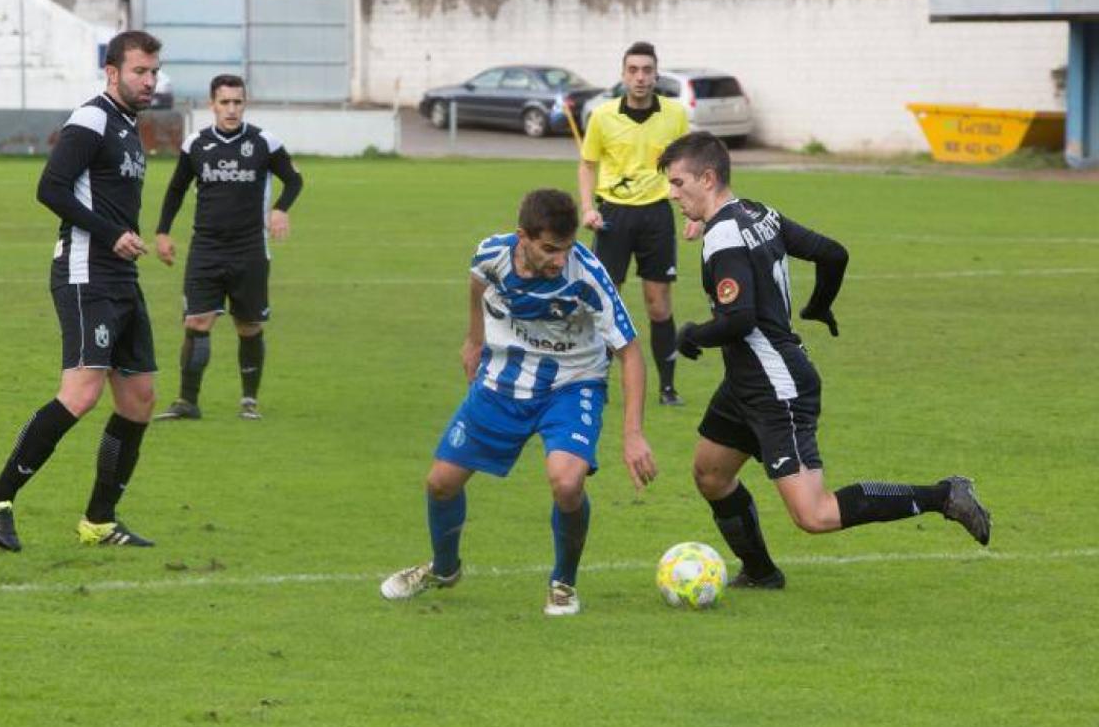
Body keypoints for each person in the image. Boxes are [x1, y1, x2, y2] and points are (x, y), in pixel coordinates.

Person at [659, 132, 991, 588]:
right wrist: (819, 304)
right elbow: (832, 253)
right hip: (746, 381)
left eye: (678, 183)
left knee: (814, 515)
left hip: (776, 385)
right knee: (710, 474)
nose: (672, 194)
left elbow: (739, 318)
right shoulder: (758, 212)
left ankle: (945, 495)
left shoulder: (724, 238)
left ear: (708, 177)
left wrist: (694, 334)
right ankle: (761, 572)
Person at [379, 189, 657, 616]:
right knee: (440, 483)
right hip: (503, 381)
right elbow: (476, 283)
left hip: (572, 384)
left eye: (565, 249)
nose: (558, 259)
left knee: (566, 482)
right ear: (522, 236)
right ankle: (444, 569)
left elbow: (631, 352)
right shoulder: (491, 254)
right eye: (549, 249)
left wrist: (633, 433)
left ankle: (563, 582)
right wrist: (474, 339)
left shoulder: (588, 277)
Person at [0, 30, 164, 551]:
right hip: (86, 272)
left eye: (153, 72)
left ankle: (99, 520)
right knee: (81, 393)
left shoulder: (128, 125)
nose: (149, 81)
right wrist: (111, 234)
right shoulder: (93, 118)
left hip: (121, 276)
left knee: (140, 398)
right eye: (139, 72)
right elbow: (50, 187)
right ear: (111, 72)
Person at [153, 74, 303, 421]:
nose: (231, 109)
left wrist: (280, 208)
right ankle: (187, 402)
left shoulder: (264, 142)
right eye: (225, 102)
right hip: (205, 249)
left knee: (248, 326)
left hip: (249, 250)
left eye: (237, 102)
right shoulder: (196, 144)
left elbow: (294, 180)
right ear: (212, 105)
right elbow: (176, 190)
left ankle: (249, 401)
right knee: (197, 321)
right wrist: (162, 232)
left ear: (244, 104)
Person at [579, 40, 696, 407]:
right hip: (613, 216)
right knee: (605, 300)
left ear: (656, 74)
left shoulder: (675, 115)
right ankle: (596, 380)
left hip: (657, 216)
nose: (640, 77)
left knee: (658, 304)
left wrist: (695, 213)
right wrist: (587, 207)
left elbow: (687, 166)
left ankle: (667, 388)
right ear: (623, 75)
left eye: (647, 70)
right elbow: (588, 164)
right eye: (633, 70)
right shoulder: (603, 116)